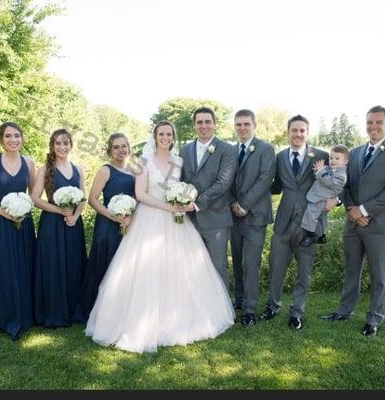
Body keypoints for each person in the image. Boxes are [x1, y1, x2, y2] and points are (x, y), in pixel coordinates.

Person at [85, 121, 234, 353]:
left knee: (179, 270)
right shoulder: (143, 162)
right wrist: (168, 208)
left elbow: (182, 187)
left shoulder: (179, 161)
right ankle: (140, 323)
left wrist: (181, 200)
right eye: (161, 134)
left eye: (169, 134)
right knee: (147, 270)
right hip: (150, 219)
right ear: (154, 137)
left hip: (177, 221)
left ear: (174, 137)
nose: (165, 137)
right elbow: (140, 194)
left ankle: (177, 321)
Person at [321, 105, 385, 337]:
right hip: (353, 222)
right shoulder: (356, 152)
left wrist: (363, 210)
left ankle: (374, 319)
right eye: (370, 122)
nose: (374, 126)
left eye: (379, 122)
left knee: (379, 275)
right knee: (351, 270)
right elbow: (346, 185)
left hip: (379, 225)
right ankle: (344, 310)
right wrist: (351, 209)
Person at [259, 114, 332, 331]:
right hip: (283, 221)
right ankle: (273, 306)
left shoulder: (321, 156)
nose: (298, 134)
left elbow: (335, 183)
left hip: (309, 224)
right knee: (276, 267)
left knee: (304, 272)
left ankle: (297, 312)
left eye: (302, 130)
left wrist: (335, 200)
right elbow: (277, 186)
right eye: (294, 130)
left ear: (307, 133)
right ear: (288, 132)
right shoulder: (280, 157)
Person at [0, 121, 36, 341]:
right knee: (1, 270)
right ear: (1, 139)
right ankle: (2, 318)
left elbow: (34, 194)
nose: (13, 140)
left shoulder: (29, 163)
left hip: (23, 223)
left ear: (23, 138)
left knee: (22, 269)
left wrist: (23, 210)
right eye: (8, 136)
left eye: (17, 136)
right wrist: (5, 213)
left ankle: (23, 317)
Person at [74, 133, 135, 321]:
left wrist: (129, 216)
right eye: (116, 147)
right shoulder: (106, 170)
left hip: (129, 224)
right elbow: (92, 199)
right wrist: (113, 215)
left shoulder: (134, 170)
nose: (120, 150)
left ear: (129, 148)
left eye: (124, 146)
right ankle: (96, 310)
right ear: (109, 150)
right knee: (104, 264)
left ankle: (121, 309)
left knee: (124, 267)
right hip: (107, 225)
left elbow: (139, 196)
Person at [32, 129, 87, 327]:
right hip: (52, 224)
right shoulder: (45, 169)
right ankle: (54, 311)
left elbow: (83, 198)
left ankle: (73, 309)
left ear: (71, 145)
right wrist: (59, 210)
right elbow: (35, 198)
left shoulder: (78, 169)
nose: (62, 147)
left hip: (73, 223)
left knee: (73, 264)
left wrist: (75, 215)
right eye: (58, 143)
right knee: (53, 266)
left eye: (66, 143)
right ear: (52, 146)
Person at [179, 107, 237, 287]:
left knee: (217, 266)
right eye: (199, 122)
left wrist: (196, 204)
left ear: (214, 124)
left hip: (216, 220)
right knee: (192, 267)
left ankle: (222, 314)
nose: (203, 126)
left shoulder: (227, 149)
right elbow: (180, 179)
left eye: (207, 122)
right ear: (194, 125)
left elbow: (223, 183)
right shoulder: (185, 150)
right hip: (189, 220)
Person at [228, 109, 276, 326]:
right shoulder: (230, 150)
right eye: (238, 124)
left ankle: (249, 309)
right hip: (233, 215)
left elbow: (265, 179)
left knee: (251, 263)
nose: (242, 128)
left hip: (255, 215)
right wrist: (233, 203)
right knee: (237, 261)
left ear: (254, 125)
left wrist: (244, 204)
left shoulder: (266, 149)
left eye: (246, 124)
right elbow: (226, 180)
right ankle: (239, 300)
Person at [299, 145, 349, 247]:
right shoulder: (329, 168)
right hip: (320, 196)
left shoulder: (341, 175)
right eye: (331, 158)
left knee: (311, 214)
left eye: (337, 158)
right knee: (321, 217)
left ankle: (310, 235)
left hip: (322, 198)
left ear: (345, 161)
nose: (332, 160)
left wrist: (321, 171)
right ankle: (322, 235)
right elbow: (319, 177)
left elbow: (329, 182)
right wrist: (317, 170)